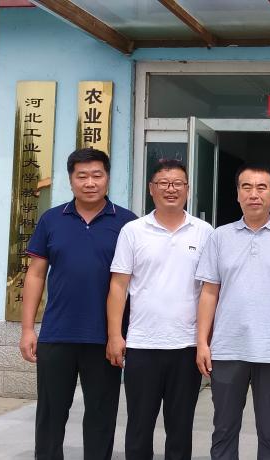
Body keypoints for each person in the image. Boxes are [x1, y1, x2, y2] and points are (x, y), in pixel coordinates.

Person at [18, 147, 137, 460]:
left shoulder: (127, 223)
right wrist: (28, 329)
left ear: (108, 178)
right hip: (57, 334)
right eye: (82, 176)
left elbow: (138, 282)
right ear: (71, 180)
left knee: (101, 415)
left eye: (97, 175)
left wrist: (123, 335)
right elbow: (35, 275)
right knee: (50, 414)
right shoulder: (52, 219)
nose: (90, 182)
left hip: (105, 338)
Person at [194, 164, 270, 460]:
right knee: (223, 430)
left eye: (262, 188)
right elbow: (209, 292)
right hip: (227, 350)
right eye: (246, 187)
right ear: (237, 194)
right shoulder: (219, 237)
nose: (254, 194)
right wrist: (202, 343)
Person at [106, 159, 213, 460]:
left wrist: (205, 341)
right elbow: (118, 286)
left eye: (178, 183)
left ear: (188, 189)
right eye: (163, 183)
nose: (171, 189)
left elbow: (210, 290)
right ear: (151, 189)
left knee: (180, 428)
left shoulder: (204, 232)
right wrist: (115, 335)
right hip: (142, 345)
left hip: (186, 347)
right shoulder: (133, 231)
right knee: (139, 427)